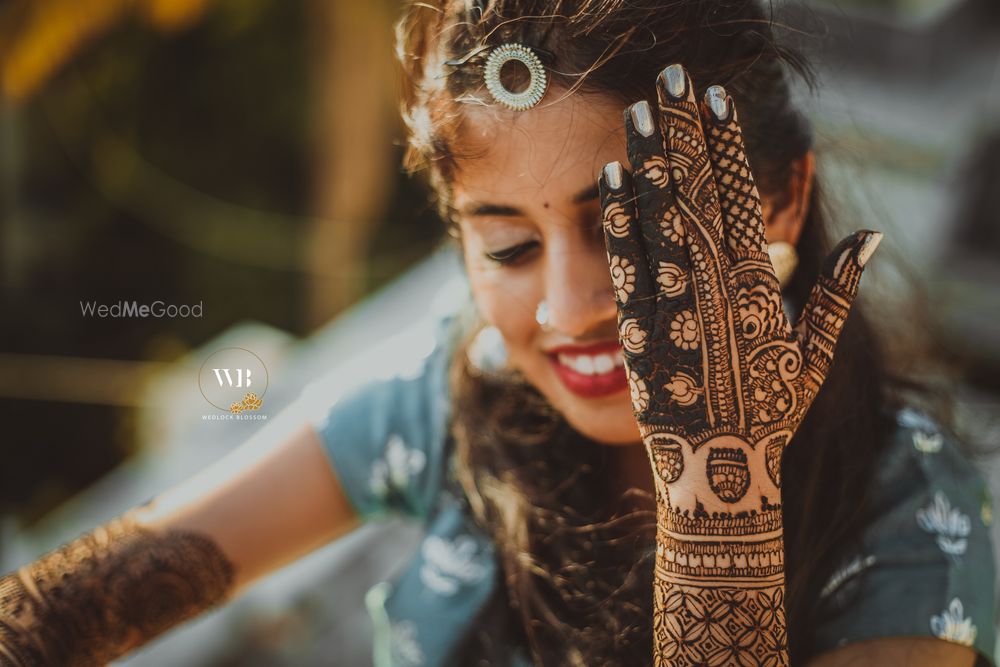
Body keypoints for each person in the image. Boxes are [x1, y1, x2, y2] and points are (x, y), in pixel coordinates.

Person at [1, 1, 995, 665]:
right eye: (511, 247)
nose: (568, 307)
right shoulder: (455, 385)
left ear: (778, 202)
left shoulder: (910, 525)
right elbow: (81, 603)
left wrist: (714, 491)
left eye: (637, 229)